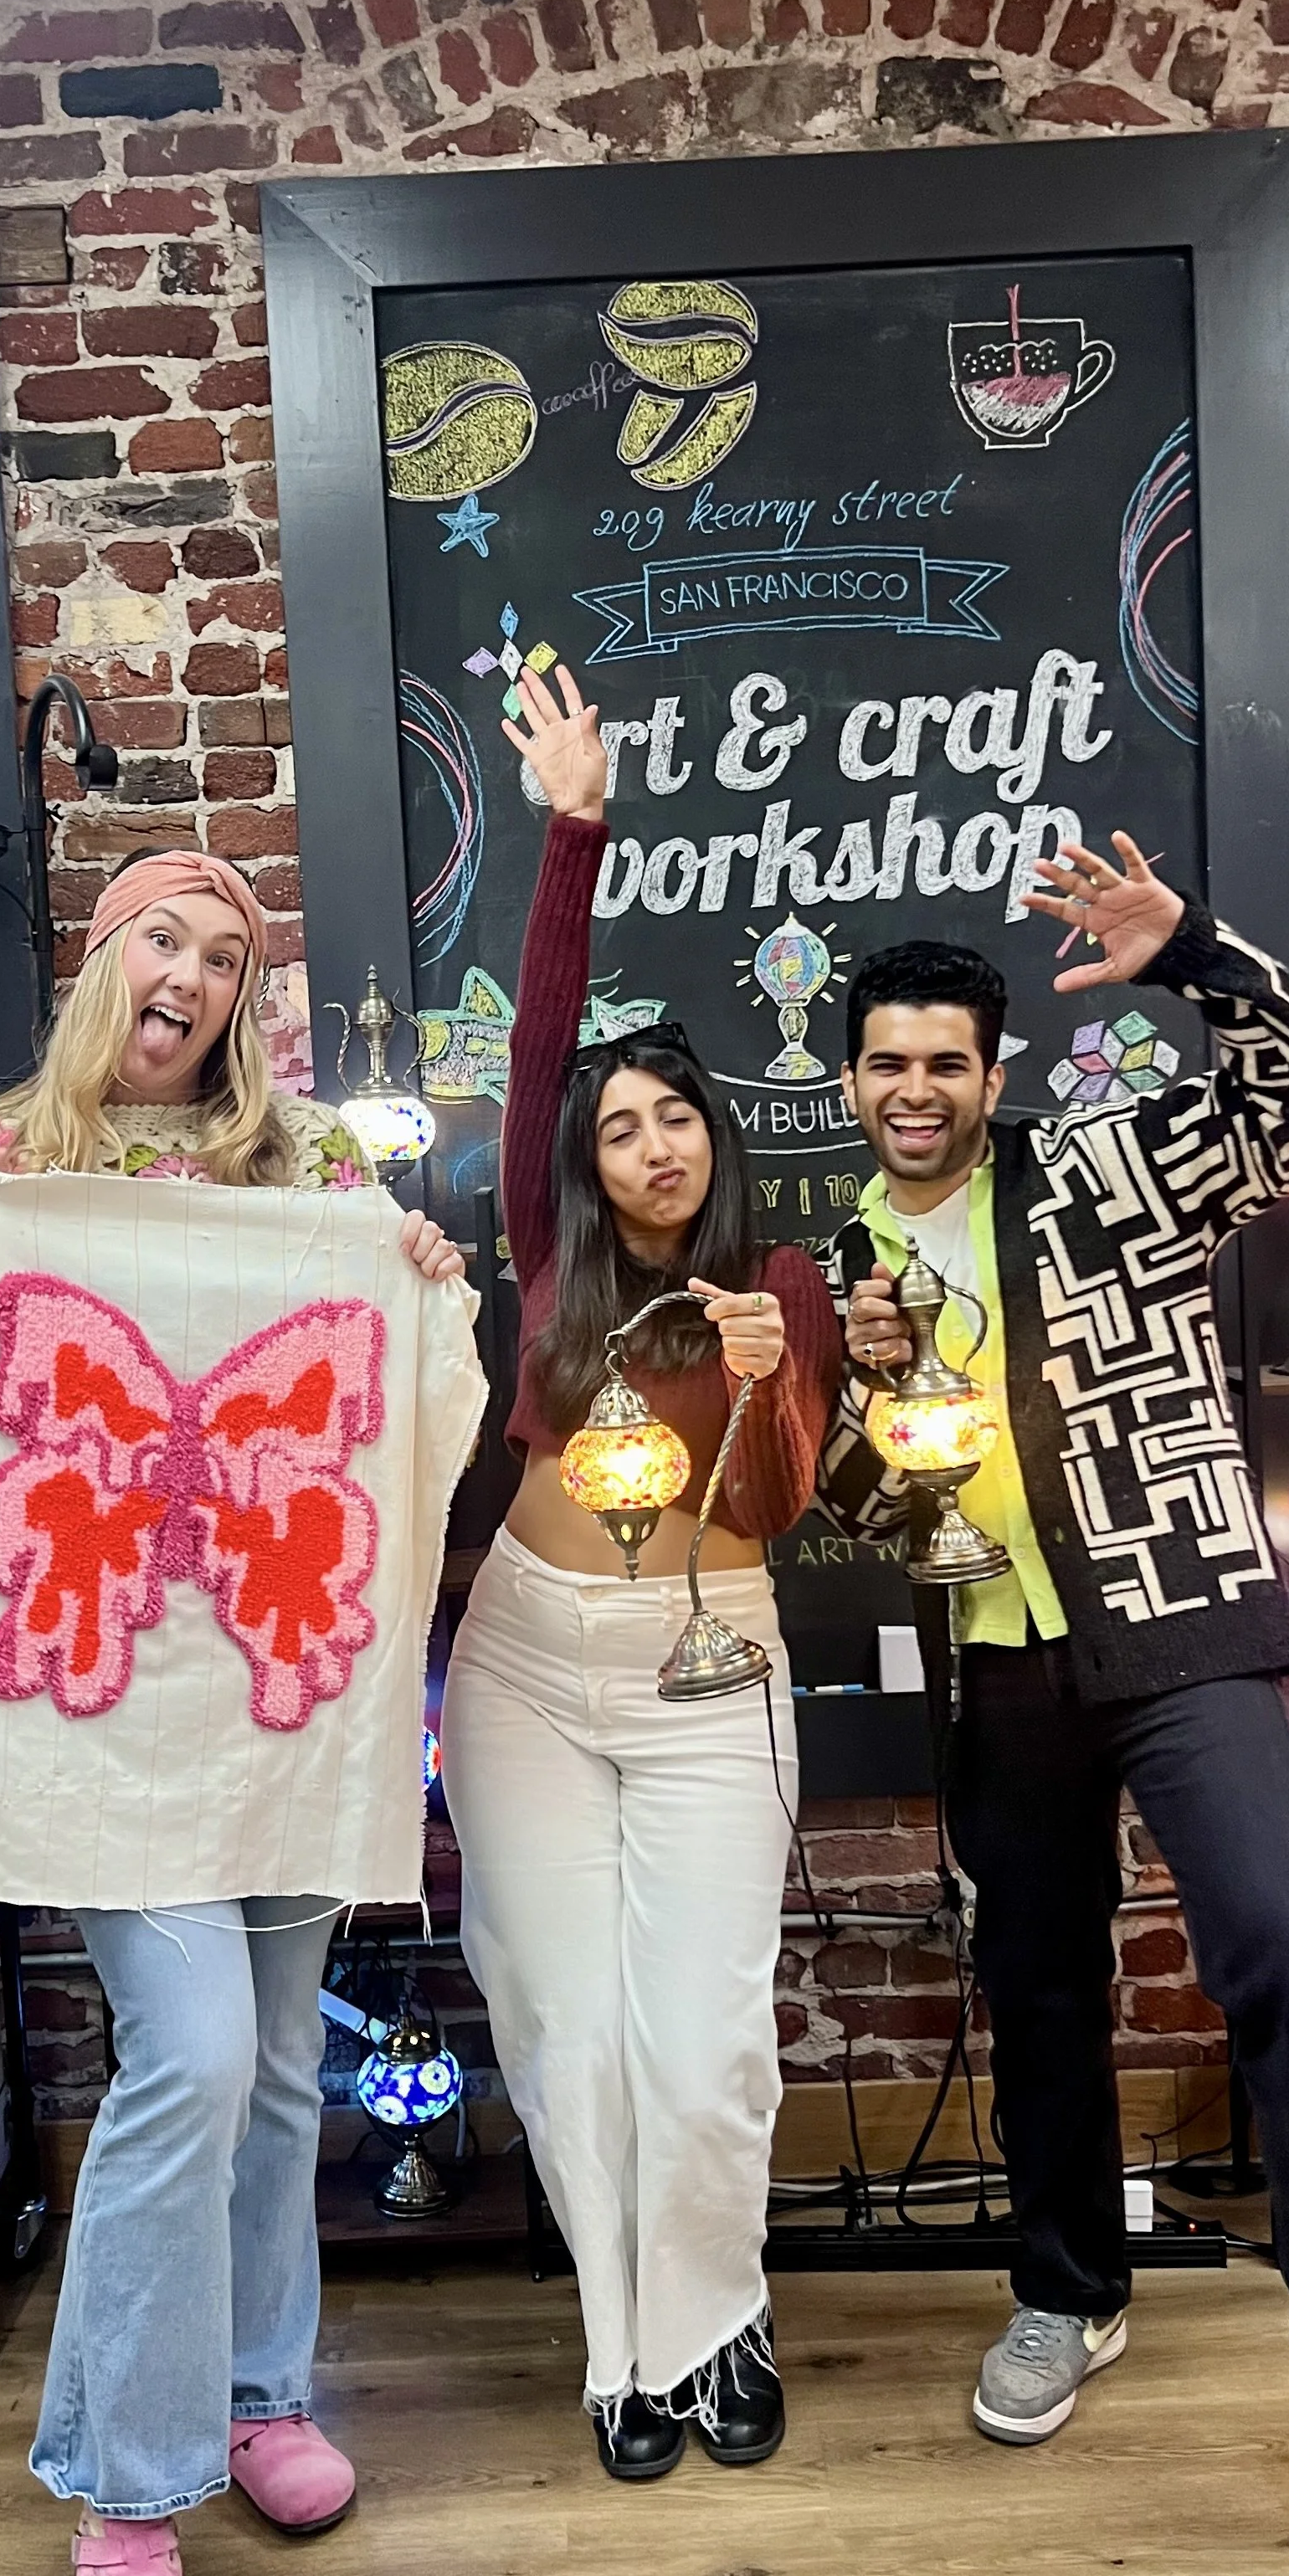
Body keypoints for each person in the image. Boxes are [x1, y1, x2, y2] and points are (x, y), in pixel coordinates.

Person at [0, 846, 469, 2576]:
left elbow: (401, 1408)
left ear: (251, 1008)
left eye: (230, 953)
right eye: (161, 939)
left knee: (279, 2071)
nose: (192, 972)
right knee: (189, 2060)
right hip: (105, 1717)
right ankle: (126, 2491)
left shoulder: (316, 1178)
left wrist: (421, 1279)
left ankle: (263, 2391)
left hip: (274, 1701)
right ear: (101, 965)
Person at [817, 828, 1289, 2569]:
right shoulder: (849, 1261)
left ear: (990, 1070)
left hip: (1175, 1627)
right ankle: (1067, 2287)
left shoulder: (1107, 1172)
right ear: (853, 1080)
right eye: (889, 1064)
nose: (919, 1089)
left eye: (948, 1059)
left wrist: (1191, 956)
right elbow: (875, 1519)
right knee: (1035, 1989)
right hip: (1002, 1663)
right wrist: (871, 1414)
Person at [440, 665, 843, 2484]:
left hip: (709, 1670)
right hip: (523, 1666)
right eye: (619, 1125)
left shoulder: (794, 1290)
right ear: (581, 1165)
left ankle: (717, 2321)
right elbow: (539, 1040)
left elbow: (776, 1508)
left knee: (701, 2045)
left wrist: (766, 1375)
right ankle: (624, 2353)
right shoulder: (545, 1255)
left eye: (677, 1115)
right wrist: (573, 828)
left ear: (721, 1137)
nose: (652, 1142)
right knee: (561, 2019)